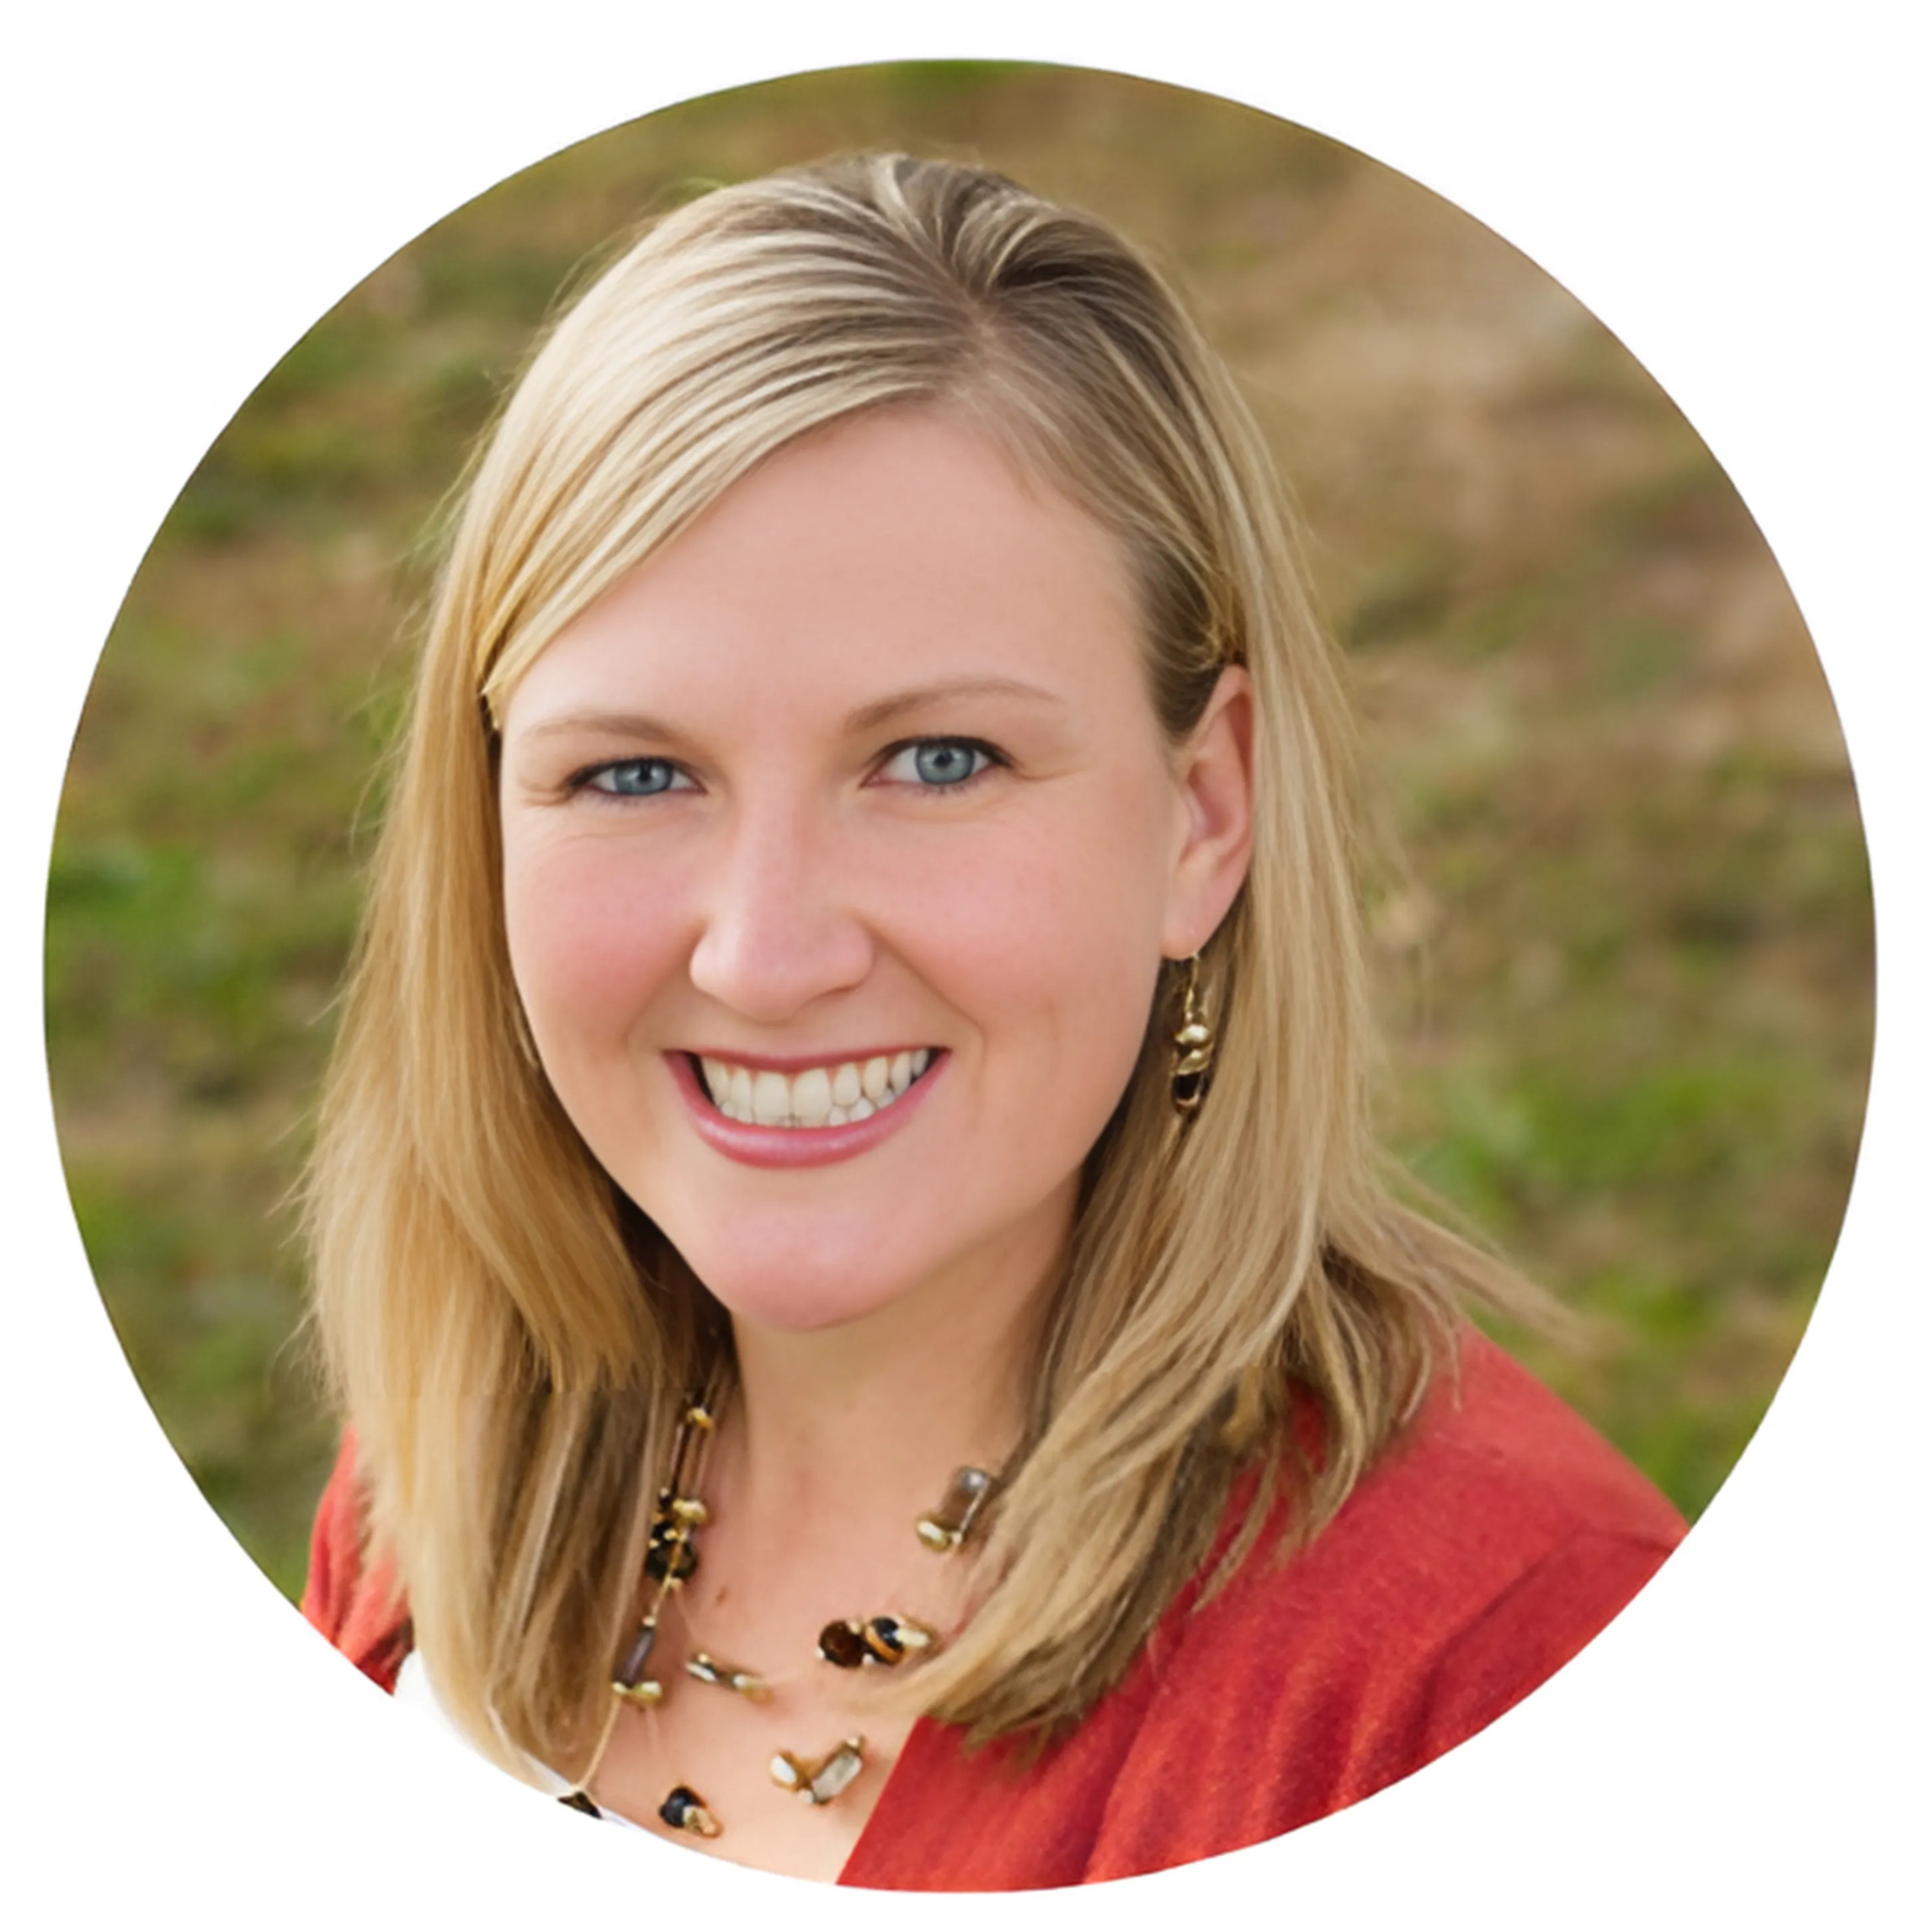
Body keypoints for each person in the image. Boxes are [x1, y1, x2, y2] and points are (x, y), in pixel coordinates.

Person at [300, 152, 1685, 1889]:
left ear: (1200, 815)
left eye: (936, 761)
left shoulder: (1500, 1673)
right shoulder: (454, 1466)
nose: (766, 950)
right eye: (633, 770)